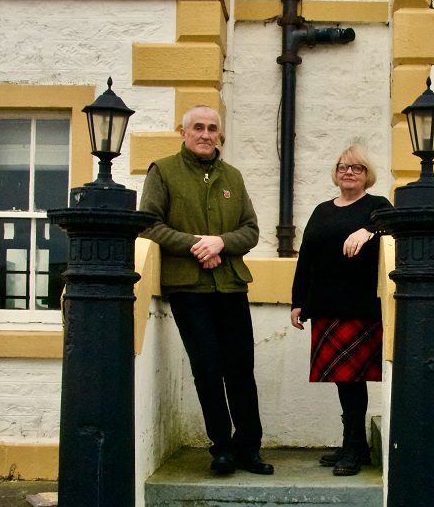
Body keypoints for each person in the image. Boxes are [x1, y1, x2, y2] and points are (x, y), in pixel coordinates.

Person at [139, 105, 273, 476]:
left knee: (241, 369)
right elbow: (149, 224)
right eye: (197, 127)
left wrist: (221, 243)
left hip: (230, 284)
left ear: (220, 135)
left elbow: (250, 230)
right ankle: (222, 448)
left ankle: (250, 448)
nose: (205, 134)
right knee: (208, 369)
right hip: (188, 288)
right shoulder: (163, 171)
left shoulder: (233, 176)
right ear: (183, 133)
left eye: (212, 128)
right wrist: (197, 245)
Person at [290, 143, 393, 476]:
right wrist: (297, 301)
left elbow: (395, 227)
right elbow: (307, 257)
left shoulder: (377, 206)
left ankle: (353, 448)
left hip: (359, 305)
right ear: (336, 174)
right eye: (342, 167)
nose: (348, 172)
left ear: (367, 175)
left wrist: (368, 229)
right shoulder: (322, 210)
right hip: (325, 304)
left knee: (352, 379)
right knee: (342, 380)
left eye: (356, 168)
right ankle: (356, 445)